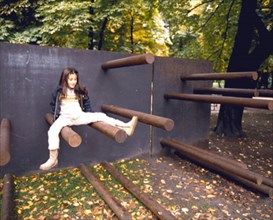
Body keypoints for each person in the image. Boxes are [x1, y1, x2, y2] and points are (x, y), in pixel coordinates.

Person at [40, 67, 138, 170]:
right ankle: (53, 159)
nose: (73, 82)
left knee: (101, 116)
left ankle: (126, 127)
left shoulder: (79, 90)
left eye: (75, 79)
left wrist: (90, 114)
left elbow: (86, 102)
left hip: (79, 116)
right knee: (52, 131)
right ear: (65, 79)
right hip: (64, 118)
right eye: (70, 79)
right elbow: (53, 104)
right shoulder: (58, 91)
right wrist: (56, 117)